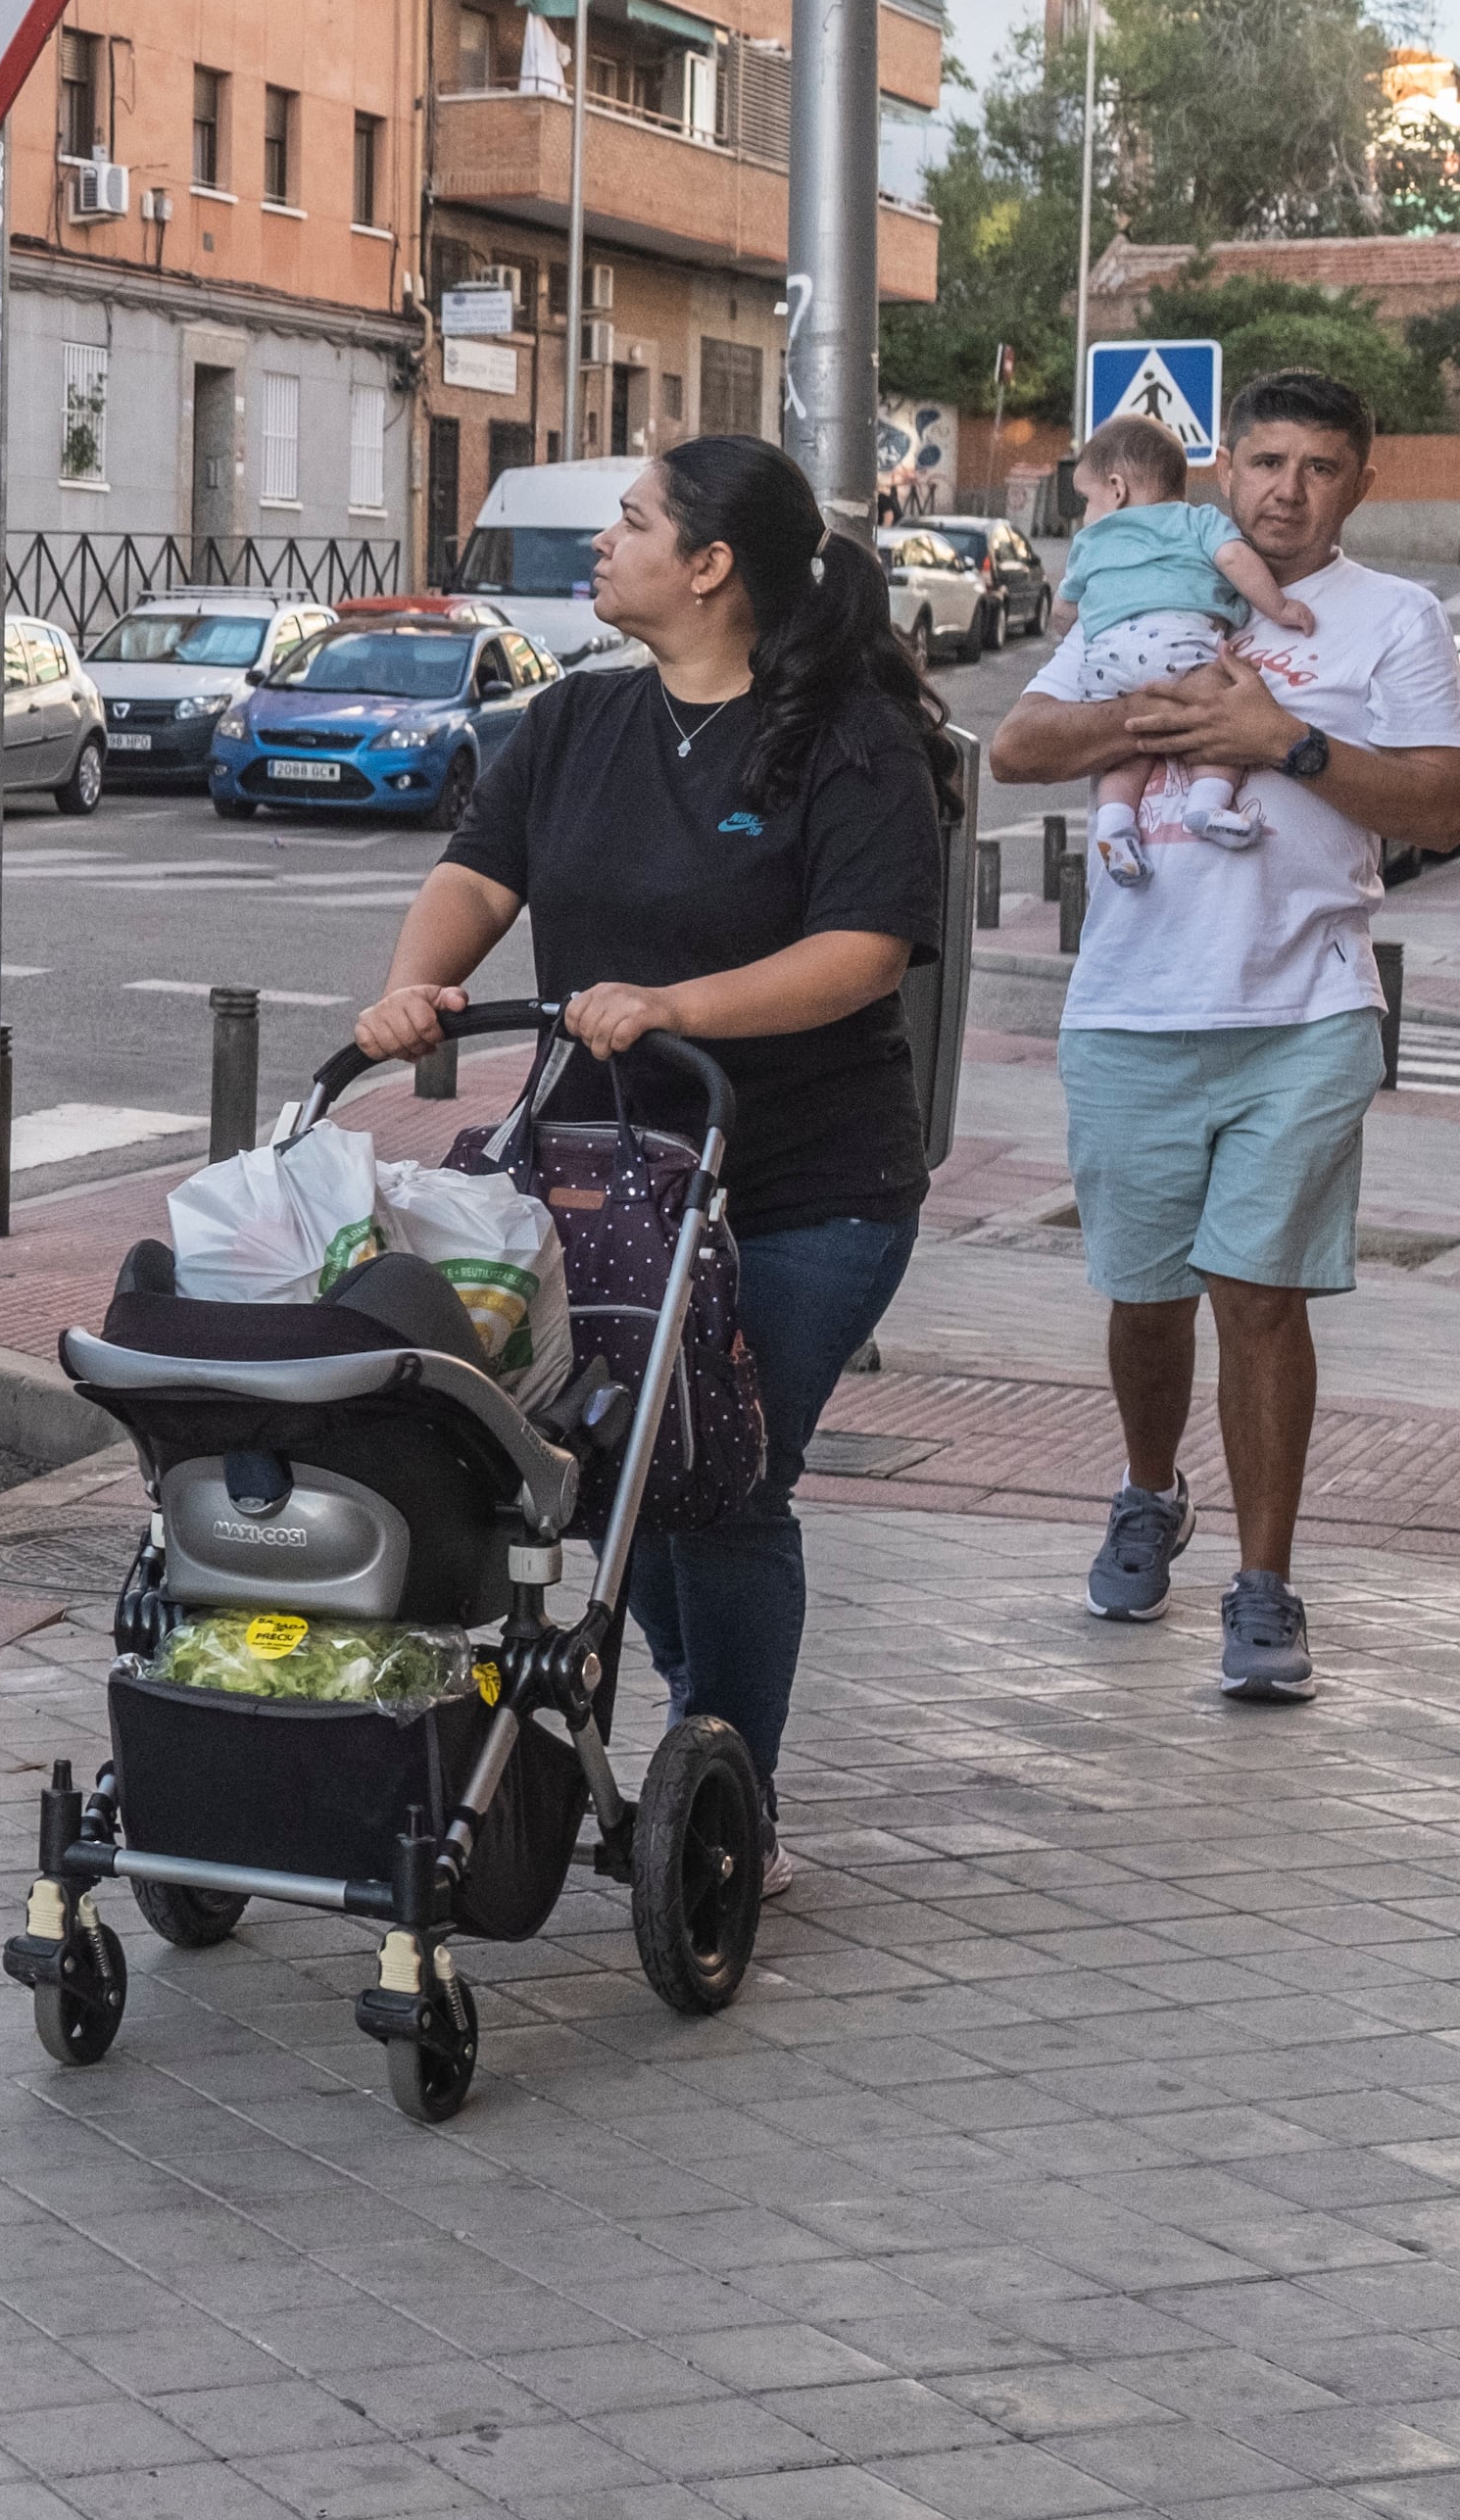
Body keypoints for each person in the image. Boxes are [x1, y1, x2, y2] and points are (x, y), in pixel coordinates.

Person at [358, 435, 949, 1890]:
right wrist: (410, 989)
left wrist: (679, 1005)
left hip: (806, 1191)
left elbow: (860, 954)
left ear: (710, 565)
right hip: (610, 1180)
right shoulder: (576, 724)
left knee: (726, 1476)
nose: (599, 548)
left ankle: (725, 1783)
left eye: (627, 524)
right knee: (619, 1464)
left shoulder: (847, 739)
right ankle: (676, 1755)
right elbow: (477, 879)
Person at [987, 370, 1460, 1701]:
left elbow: (1440, 804)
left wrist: (1287, 742)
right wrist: (1170, 720)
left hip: (1305, 1006)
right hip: (1133, 1007)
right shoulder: (1150, 579)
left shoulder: (1395, 619)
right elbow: (1018, 748)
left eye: (1320, 466)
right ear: (1224, 468)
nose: (1289, 490)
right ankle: (1150, 1491)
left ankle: (1265, 1589)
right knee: (1144, 1295)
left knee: (1259, 1295)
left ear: (1360, 481)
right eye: (1266, 462)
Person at [1045, 413, 1312, 880]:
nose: (1086, 512)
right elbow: (1235, 560)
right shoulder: (1199, 521)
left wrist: (1062, 631)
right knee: (1223, 715)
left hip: (1106, 661)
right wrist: (1279, 607)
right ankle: (1207, 803)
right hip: (1179, 647)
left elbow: (1065, 608)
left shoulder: (1089, 541)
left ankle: (1114, 828)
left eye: (1087, 500)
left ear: (1116, 489)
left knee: (1125, 753)